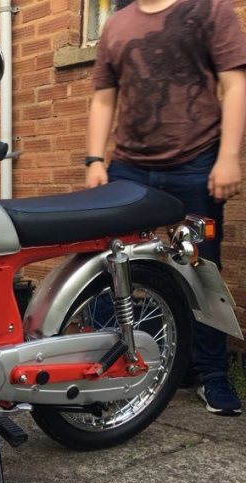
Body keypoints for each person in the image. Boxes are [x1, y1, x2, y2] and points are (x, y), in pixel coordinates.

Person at [85, 0, 246, 416]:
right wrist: (95, 160)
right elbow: (104, 98)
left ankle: (211, 374)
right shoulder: (117, 24)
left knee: (201, 268)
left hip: (197, 164)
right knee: (110, 261)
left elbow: (234, 84)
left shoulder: (212, 10)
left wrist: (229, 156)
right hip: (128, 169)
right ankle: (103, 364)